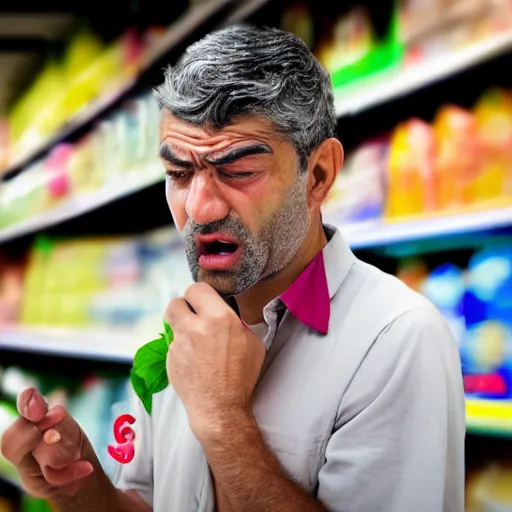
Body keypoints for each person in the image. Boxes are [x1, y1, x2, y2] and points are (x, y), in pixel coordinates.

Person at [1, 25, 465, 512]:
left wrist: (223, 419)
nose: (199, 208)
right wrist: (82, 489)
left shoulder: (397, 340)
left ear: (320, 175)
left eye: (238, 171)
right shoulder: (181, 327)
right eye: (179, 174)